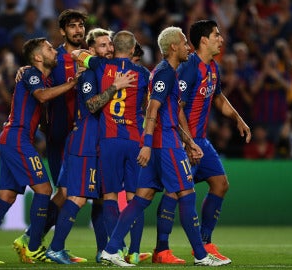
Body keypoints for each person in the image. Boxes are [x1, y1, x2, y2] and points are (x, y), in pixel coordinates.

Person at [97, 26, 229, 267]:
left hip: (165, 141)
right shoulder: (165, 73)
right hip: (164, 144)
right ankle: (201, 255)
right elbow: (152, 110)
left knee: (141, 198)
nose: (189, 47)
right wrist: (147, 145)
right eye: (184, 43)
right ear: (173, 47)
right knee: (187, 194)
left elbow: (170, 112)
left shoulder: (171, 73)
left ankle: (110, 249)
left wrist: (189, 142)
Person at [0, 37, 80, 264]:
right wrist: (71, 84)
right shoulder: (32, 74)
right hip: (17, 139)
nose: (54, 50)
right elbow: (40, 96)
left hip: (14, 139)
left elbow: (40, 109)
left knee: (7, 196)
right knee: (44, 188)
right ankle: (33, 247)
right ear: (38, 57)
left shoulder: (43, 80)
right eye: (49, 48)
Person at [153, 19, 250, 264]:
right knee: (176, 193)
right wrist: (187, 143)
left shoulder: (213, 67)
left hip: (201, 142)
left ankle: (206, 241)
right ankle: (161, 249)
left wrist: (238, 118)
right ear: (204, 40)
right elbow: (178, 107)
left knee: (220, 184)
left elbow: (218, 98)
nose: (221, 39)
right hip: (185, 140)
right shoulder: (189, 67)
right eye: (217, 35)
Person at [45, 27, 136, 264]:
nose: (109, 49)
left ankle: (105, 250)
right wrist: (115, 87)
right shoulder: (88, 75)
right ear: (91, 50)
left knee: (99, 199)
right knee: (77, 198)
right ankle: (54, 248)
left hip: (98, 144)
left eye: (111, 44)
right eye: (103, 45)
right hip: (85, 142)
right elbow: (93, 105)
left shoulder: (106, 72)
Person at [72, 30, 152, 265]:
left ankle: (113, 250)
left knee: (109, 195)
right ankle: (133, 251)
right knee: (135, 196)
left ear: (114, 48)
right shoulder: (143, 74)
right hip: (134, 141)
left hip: (108, 140)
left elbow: (78, 53)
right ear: (134, 47)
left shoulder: (98, 65)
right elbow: (149, 106)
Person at [12, 9, 86, 264]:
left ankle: (41, 242)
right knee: (67, 193)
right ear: (63, 31)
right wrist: (24, 68)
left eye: (80, 26)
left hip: (85, 137)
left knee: (77, 194)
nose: (78, 30)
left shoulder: (89, 57)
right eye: (72, 26)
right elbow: (36, 72)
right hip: (60, 136)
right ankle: (34, 240)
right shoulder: (54, 57)